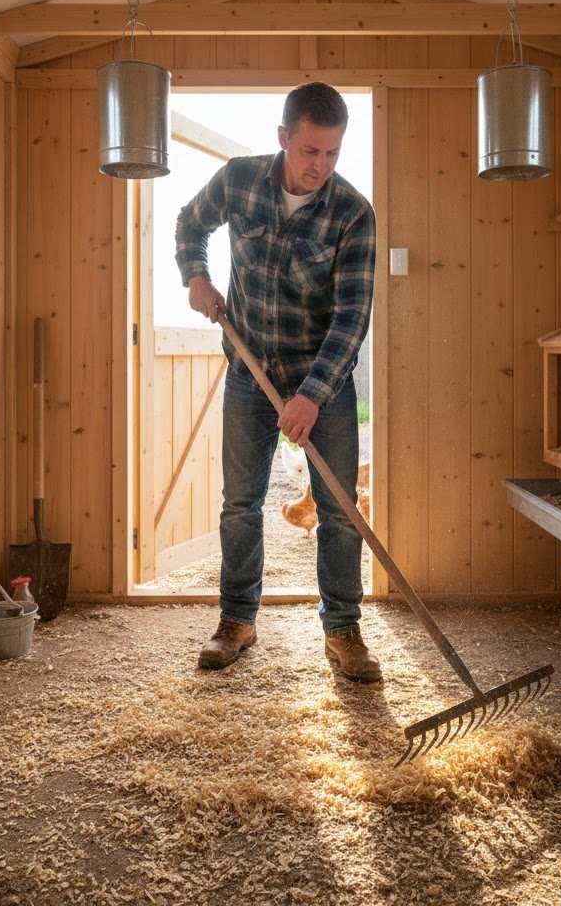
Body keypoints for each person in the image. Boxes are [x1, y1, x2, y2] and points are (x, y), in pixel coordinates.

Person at [174, 83, 380, 682]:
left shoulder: (352, 214)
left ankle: (343, 631)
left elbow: (352, 319)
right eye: (310, 151)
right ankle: (236, 620)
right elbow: (191, 222)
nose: (320, 167)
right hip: (249, 373)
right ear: (284, 137)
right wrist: (195, 275)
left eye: (333, 154)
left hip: (322, 381)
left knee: (339, 511)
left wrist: (312, 396)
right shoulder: (239, 181)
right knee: (240, 505)